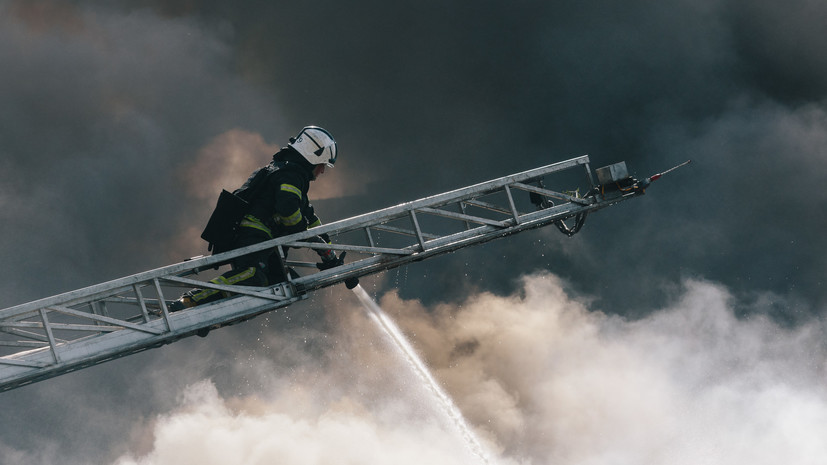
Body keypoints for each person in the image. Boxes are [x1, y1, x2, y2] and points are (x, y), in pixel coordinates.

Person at [169, 126, 344, 312]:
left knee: (287, 283)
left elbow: (311, 218)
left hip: (267, 243)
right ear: (312, 155)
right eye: (323, 164)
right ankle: (192, 300)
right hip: (253, 236)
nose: (323, 171)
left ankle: (210, 316)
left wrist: (330, 255)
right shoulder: (290, 176)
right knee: (252, 276)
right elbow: (288, 213)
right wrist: (303, 233)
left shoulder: (289, 175)